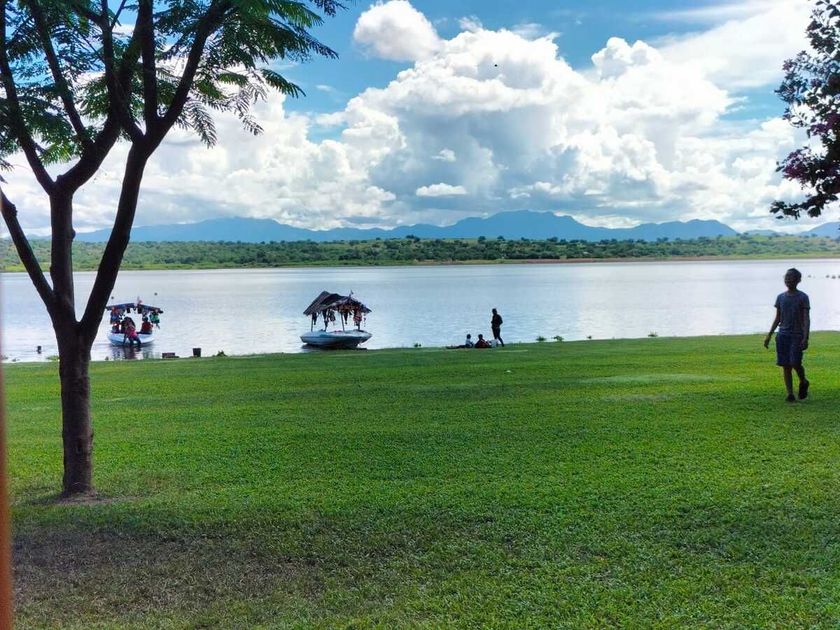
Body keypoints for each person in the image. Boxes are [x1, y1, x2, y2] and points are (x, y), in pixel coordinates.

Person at [764, 268, 810, 402]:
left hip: (797, 335)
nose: (788, 280)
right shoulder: (780, 297)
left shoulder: (803, 297)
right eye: (787, 277)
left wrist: (805, 337)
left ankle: (803, 381)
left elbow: (806, 319)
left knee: (796, 362)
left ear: (798, 280)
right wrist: (769, 335)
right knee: (785, 365)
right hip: (783, 335)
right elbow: (778, 317)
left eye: (791, 277)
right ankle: (790, 394)